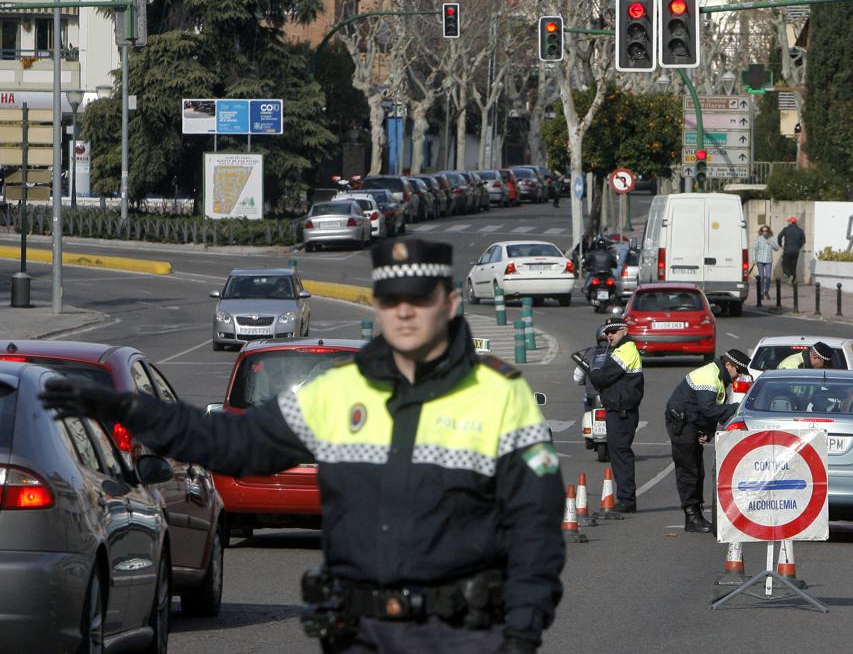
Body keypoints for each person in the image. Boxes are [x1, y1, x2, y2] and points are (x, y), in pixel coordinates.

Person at [41, 236, 565, 654]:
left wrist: (522, 631)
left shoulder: (500, 397)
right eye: (392, 300)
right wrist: (131, 410)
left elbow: (536, 527)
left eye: (420, 299)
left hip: (465, 635)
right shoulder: (340, 392)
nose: (406, 313)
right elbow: (235, 443)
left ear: (449, 304)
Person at [663, 348, 751, 533]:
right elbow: (709, 409)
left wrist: (708, 432)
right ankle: (691, 517)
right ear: (728, 365)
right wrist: (738, 408)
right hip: (682, 423)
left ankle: (696, 514)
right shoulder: (709, 376)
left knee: (697, 470)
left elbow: (711, 410)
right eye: (738, 372)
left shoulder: (719, 377)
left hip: (691, 422)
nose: (738, 377)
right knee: (688, 471)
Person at [586, 317, 644, 513]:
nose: (609, 335)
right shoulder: (618, 349)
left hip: (622, 411)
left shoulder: (626, 350)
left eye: (613, 331)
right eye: (607, 332)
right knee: (618, 454)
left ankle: (627, 500)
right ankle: (626, 498)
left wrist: (592, 372)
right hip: (618, 409)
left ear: (624, 331)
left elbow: (603, 376)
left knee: (621, 455)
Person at [777, 216, 806, 284]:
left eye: (788, 221)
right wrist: (798, 246)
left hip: (787, 250)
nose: (788, 222)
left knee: (784, 263)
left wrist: (780, 245)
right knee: (793, 265)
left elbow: (779, 236)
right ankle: (793, 280)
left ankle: (788, 275)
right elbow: (803, 241)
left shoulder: (786, 229)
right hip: (796, 251)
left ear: (791, 222)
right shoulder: (800, 230)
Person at [752, 225, 779, 299]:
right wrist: (754, 259)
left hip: (768, 260)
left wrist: (771, 243)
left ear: (768, 231)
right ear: (761, 231)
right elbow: (754, 249)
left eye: (766, 231)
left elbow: (777, 248)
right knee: (761, 277)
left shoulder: (772, 238)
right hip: (760, 260)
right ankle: (761, 293)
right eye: (763, 231)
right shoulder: (759, 239)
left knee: (768, 277)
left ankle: (766, 291)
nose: (765, 232)